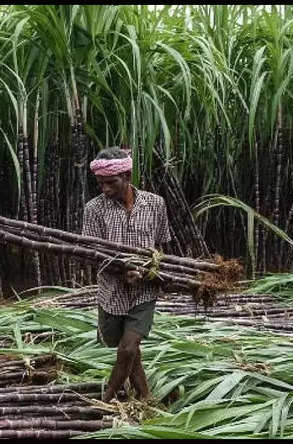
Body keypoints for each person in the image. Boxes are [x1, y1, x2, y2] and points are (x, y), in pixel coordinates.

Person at [81, 146, 171, 403]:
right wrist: (123, 270)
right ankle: (145, 397)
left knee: (128, 347)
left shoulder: (155, 204)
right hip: (111, 292)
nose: (105, 189)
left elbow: (162, 246)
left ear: (128, 175)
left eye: (111, 183)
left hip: (145, 290)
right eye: (100, 184)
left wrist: (148, 272)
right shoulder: (94, 209)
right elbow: (93, 253)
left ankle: (107, 398)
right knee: (124, 349)